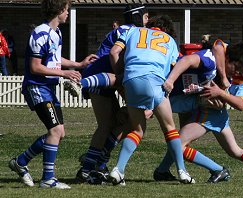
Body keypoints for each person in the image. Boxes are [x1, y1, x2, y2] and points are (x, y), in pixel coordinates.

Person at [155, 43, 243, 183]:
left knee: (178, 144)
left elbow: (241, 104)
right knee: (235, 151)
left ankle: (217, 169)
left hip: (209, 113)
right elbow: (218, 46)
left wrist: (220, 94)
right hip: (214, 112)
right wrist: (223, 77)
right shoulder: (229, 60)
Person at [8, 0, 98, 189]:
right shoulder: (40, 33)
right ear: (59, 10)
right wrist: (65, 74)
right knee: (55, 131)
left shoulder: (56, 33)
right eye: (67, 9)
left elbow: (54, 59)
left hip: (48, 88)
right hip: (36, 87)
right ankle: (48, 179)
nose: (68, 13)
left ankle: (21, 161)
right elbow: (35, 67)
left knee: (59, 133)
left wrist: (78, 64)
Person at [65, 4, 149, 185]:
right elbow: (114, 54)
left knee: (123, 120)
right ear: (142, 17)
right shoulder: (130, 31)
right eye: (146, 16)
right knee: (106, 125)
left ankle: (98, 162)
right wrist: (121, 79)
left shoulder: (129, 30)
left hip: (109, 81)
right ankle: (87, 169)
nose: (147, 21)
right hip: (100, 79)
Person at [108, 15, 195, 186]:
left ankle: (118, 169)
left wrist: (120, 72)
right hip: (154, 80)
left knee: (137, 130)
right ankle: (182, 171)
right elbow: (173, 66)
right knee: (170, 129)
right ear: (167, 30)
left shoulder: (133, 31)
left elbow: (113, 52)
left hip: (131, 79)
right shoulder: (169, 40)